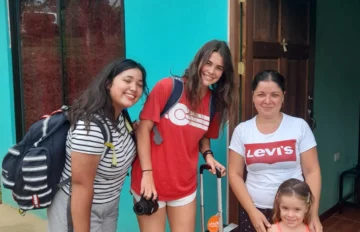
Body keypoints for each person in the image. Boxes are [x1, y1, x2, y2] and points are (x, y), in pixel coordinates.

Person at [131, 40, 236, 232]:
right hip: (150, 183)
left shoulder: (215, 104)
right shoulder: (168, 88)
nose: (212, 71)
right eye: (208, 63)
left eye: (219, 68)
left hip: (184, 186)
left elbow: (203, 136)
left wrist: (209, 155)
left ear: (224, 74)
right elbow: (143, 129)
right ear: (199, 62)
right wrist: (147, 174)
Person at [47, 58, 148, 232]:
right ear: (108, 84)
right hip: (79, 208)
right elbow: (81, 186)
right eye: (127, 80)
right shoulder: (91, 128)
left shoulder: (122, 117)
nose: (134, 88)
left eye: (139, 84)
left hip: (109, 205)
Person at [228, 70, 322, 232]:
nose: (267, 101)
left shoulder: (299, 127)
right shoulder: (242, 131)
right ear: (253, 96)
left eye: (275, 95)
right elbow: (234, 174)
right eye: (261, 94)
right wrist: (251, 211)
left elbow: (312, 171)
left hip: (294, 212)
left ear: (283, 96)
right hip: (256, 210)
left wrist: (313, 214)